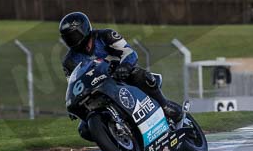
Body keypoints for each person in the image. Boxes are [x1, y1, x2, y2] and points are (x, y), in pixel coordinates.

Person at [59, 11, 184, 141]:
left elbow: (129, 52)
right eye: (68, 37)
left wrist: (125, 66)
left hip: (121, 76)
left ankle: (165, 106)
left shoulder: (105, 36)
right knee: (84, 130)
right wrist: (73, 103)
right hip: (97, 90)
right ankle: (118, 141)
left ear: (84, 29)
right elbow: (73, 84)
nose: (72, 40)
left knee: (138, 74)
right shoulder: (69, 61)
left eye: (75, 35)